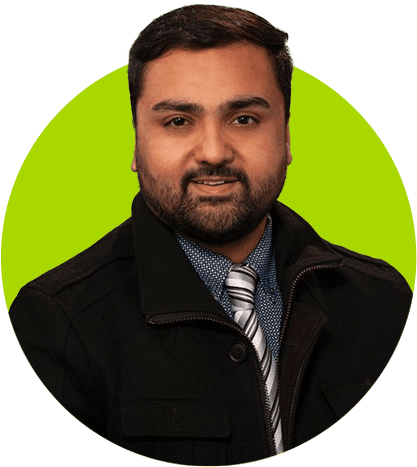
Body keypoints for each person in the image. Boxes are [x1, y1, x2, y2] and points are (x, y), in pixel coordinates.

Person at [9, 4, 411, 465]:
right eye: (179, 121)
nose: (214, 152)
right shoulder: (55, 323)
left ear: (286, 138)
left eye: (244, 118)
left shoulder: (384, 300)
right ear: (137, 143)